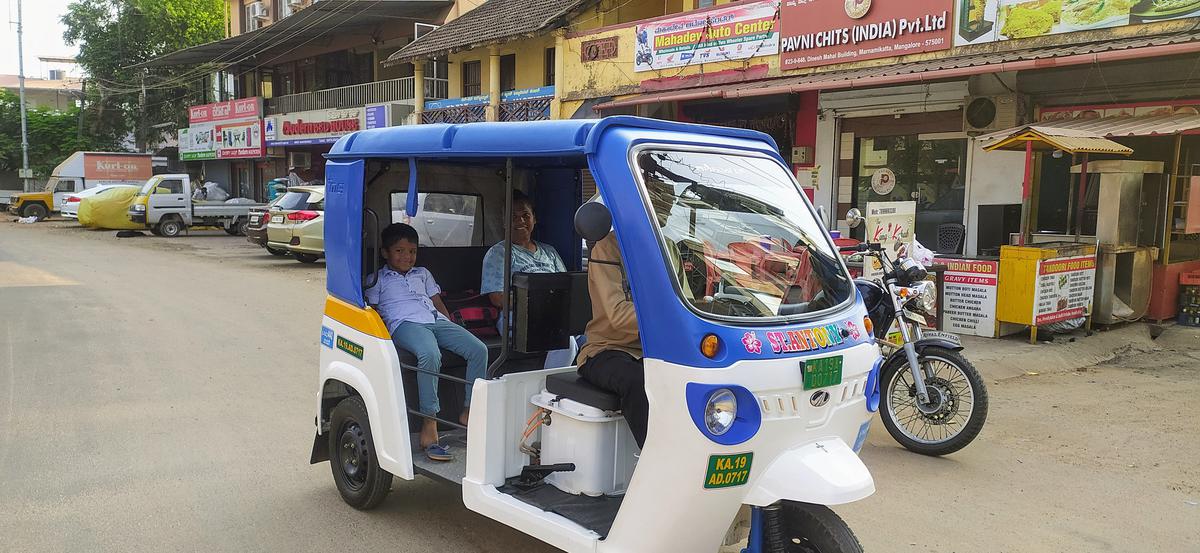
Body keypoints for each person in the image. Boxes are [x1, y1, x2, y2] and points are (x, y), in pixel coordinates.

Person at [365, 223, 488, 462]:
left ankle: (469, 411)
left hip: (434, 320)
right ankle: (429, 423)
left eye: (412, 251)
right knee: (430, 354)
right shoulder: (377, 278)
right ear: (385, 253)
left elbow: (437, 303)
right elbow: (375, 310)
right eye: (399, 251)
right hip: (404, 324)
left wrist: (451, 324)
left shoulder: (423, 273)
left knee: (478, 349)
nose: (407, 257)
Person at [574, 231, 648, 448]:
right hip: (605, 349)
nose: (668, 204)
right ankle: (655, 460)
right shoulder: (608, 246)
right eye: (660, 197)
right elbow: (617, 314)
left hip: (653, 350)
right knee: (640, 380)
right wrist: (668, 316)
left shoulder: (669, 247)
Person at [480, 189, 566, 327]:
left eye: (526, 215)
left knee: (593, 335)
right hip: (518, 318)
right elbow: (497, 298)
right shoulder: (499, 253)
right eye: (513, 216)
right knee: (565, 339)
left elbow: (566, 285)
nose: (520, 220)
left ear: (534, 219)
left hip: (555, 312)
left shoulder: (549, 251)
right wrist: (536, 303)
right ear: (504, 222)